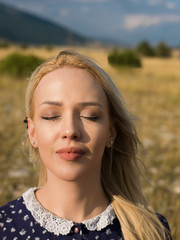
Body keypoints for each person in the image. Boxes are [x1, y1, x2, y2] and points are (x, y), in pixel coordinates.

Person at [0, 50, 172, 240]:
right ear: (32, 132)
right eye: (51, 115)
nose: (70, 130)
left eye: (91, 115)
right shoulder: (4, 227)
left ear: (111, 132)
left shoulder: (151, 231)